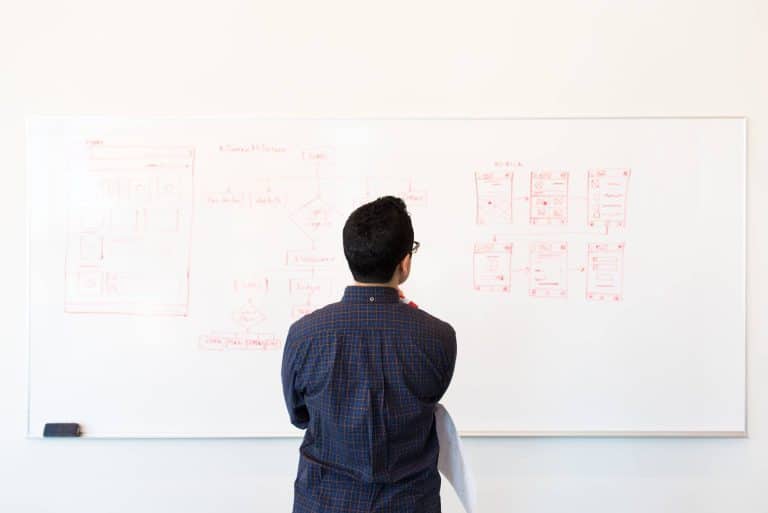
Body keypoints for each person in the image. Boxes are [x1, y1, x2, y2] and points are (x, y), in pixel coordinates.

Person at [281, 195, 458, 513]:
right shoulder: (438, 337)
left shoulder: (304, 335)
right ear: (404, 262)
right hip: (409, 504)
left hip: (324, 502)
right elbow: (428, 401)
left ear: (350, 256)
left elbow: (299, 416)